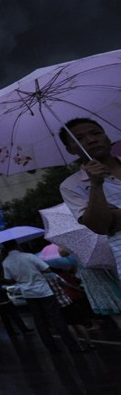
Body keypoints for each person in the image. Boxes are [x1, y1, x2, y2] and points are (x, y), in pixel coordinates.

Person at [58, 118, 121, 281]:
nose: (91, 140)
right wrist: (96, 185)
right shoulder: (71, 186)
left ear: (107, 137)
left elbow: (113, 221)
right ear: (70, 149)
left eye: (96, 133)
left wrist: (115, 214)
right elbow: (100, 226)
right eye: (79, 139)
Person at [0, 240, 83, 353]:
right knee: (57, 318)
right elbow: (46, 269)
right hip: (44, 291)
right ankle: (72, 346)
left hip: (28, 294)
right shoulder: (28, 256)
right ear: (16, 245)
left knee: (40, 321)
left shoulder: (6, 262)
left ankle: (51, 348)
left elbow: (8, 279)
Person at [0, 262, 32, 336]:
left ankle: (23, 329)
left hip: (4, 299)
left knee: (14, 315)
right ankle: (12, 332)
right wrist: (6, 289)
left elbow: (1, 282)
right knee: (5, 317)